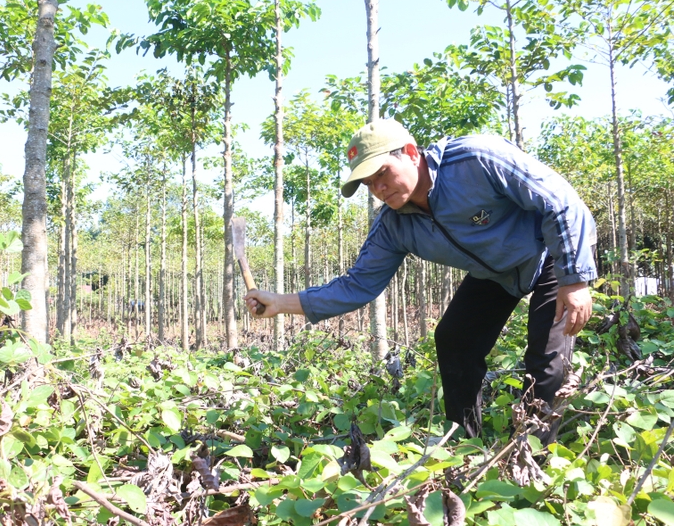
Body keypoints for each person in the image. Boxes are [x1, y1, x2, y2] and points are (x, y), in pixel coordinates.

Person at [244, 119, 597, 440]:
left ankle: (535, 453)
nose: (379, 188)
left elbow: (561, 202)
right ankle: (464, 443)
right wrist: (279, 303)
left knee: (546, 358)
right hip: (496, 273)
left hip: (551, 252)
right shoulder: (393, 225)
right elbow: (358, 284)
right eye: (369, 183)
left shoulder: (476, 160)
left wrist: (574, 279)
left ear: (411, 153)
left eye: (382, 173)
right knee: (454, 339)